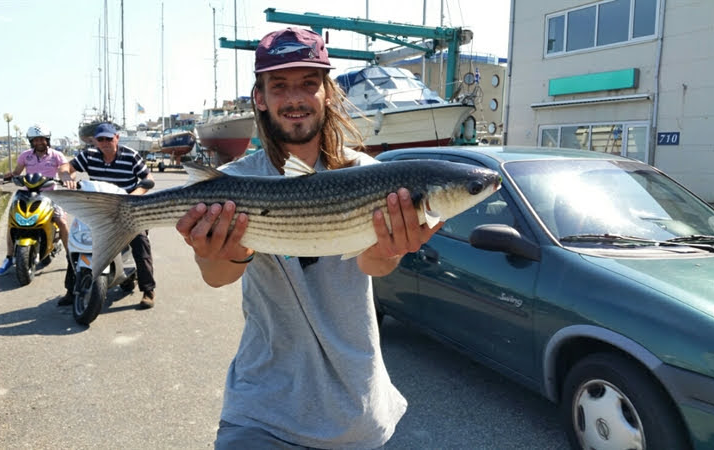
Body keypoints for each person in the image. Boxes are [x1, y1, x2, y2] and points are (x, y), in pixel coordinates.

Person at [175, 27, 443, 449]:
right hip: (260, 409)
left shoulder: (371, 178)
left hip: (356, 410)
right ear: (259, 97)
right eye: (278, 86)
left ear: (327, 93)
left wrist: (392, 250)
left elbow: (372, 263)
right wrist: (221, 251)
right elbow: (217, 276)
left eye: (308, 83)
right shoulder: (232, 183)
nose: (294, 98)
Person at [58, 122, 157, 309]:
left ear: (116, 138)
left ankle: (148, 290)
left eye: (109, 139)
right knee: (75, 241)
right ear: (95, 141)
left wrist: (133, 197)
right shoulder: (89, 155)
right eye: (100, 139)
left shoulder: (130, 156)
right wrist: (65, 177)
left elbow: (148, 179)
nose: (105, 142)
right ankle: (71, 289)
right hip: (99, 209)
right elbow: (66, 167)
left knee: (140, 242)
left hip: (127, 208)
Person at [0, 124, 70, 277]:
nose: (39, 142)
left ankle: (71, 256)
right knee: (12, 223)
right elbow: (18, 171)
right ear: (31, 142)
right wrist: (9, 175)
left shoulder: (56, 155)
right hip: (28, 193)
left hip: (51, 194)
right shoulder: (26, 155)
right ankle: (9, 257)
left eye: (41, 139)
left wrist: (67, 179)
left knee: (62, 222)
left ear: (47, 140)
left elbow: (65, 170)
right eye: (35, 140)